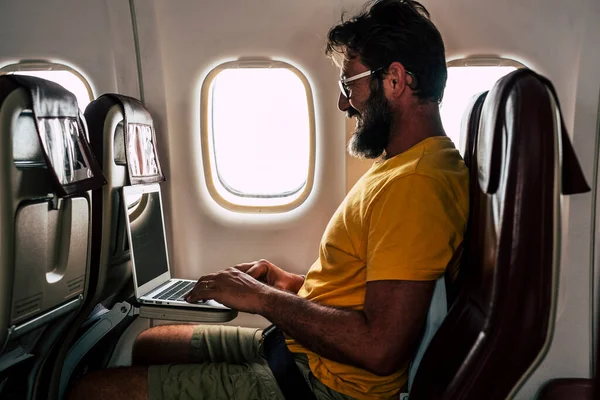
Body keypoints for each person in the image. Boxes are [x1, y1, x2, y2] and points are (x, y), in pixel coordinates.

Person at [69, 0, 468, 399]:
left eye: (350, 84)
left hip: (326, 385)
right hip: (300, 352)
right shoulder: (401, 167)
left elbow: (379, 348)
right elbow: (365, 291)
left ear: (395, 80)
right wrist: (289, 284)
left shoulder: (416, 185)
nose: (343, 103)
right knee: (150, 344)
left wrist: (262, 299)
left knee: (93, 391)